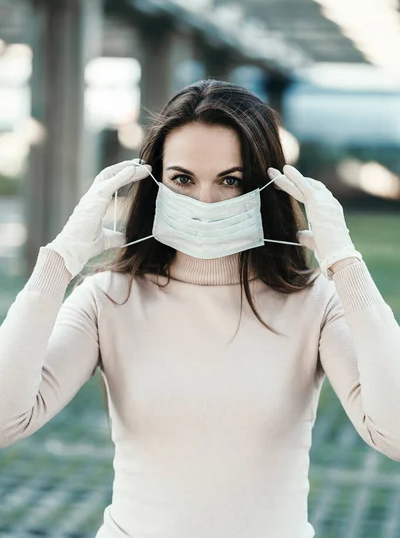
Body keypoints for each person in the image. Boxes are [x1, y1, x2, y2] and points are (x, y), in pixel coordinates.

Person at [0, 79, 399, 538]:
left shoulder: (313, 301)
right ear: (156, 183)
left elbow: (394, 432)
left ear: (264, 187)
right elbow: (7, 419)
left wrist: (347, 266)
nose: (204, 201)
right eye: (183, 179)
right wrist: (57, 262)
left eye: (231, 181)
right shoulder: (108, 297)